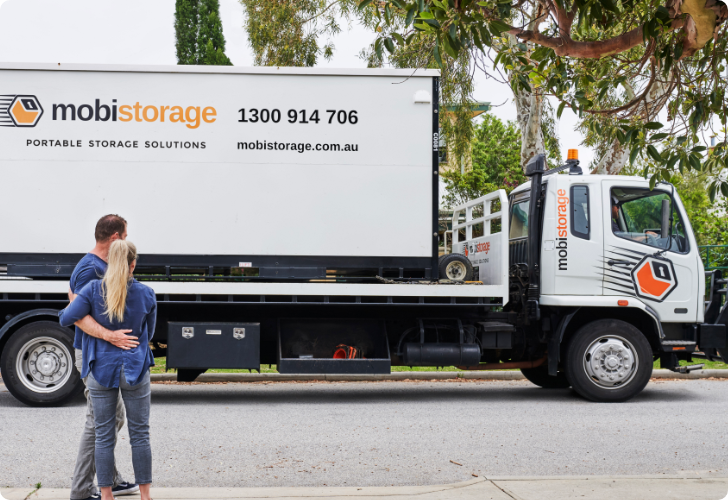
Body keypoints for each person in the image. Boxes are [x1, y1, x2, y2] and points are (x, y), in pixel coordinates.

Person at [60, 240, 157, 500]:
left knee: (103, 436)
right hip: (135, 369)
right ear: (133, 264)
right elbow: (150, 332)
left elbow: (65, 318)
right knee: (140, 434)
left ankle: (106, 496)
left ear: (109, 263)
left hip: (100, 369)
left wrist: (73, 301)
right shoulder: (147, 293)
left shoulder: (92, 289)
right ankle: (146, 496)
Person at [68, 215, 139, 500]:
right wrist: (111, 336)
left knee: (114, 417)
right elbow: (77, 316)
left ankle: (111, 478)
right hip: (91, 354)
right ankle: (82, 490)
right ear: (115, 238)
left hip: (100, 354)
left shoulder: (101, 267)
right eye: (125, 237)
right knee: (99, 423)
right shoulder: (89, 269)